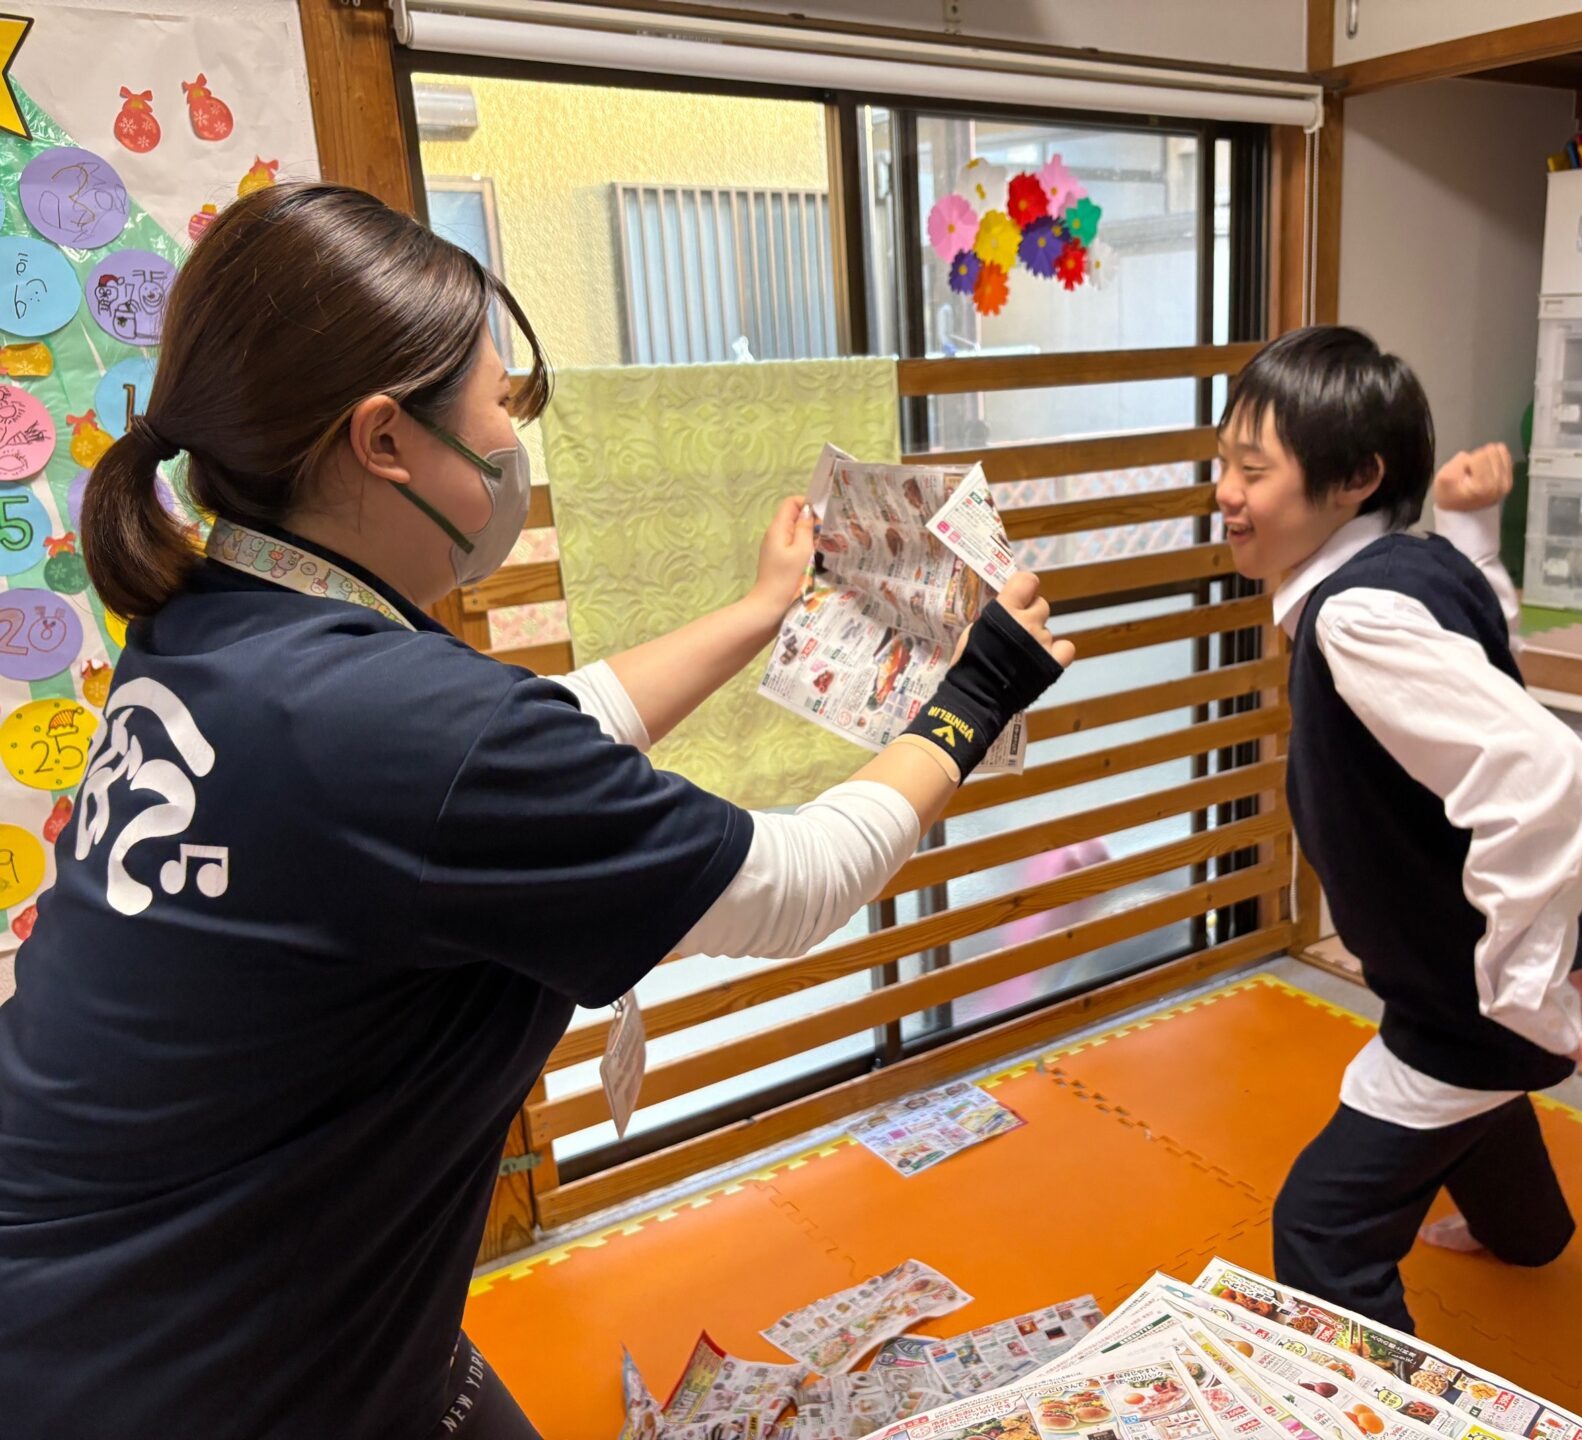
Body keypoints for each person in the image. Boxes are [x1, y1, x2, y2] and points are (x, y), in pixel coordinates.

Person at [0, 183, 1074, 1439]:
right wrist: (973, 700)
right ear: (386, 441)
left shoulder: (220, 628)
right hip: (190, 1367)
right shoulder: (411, 729)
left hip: (115, 1278)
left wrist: (757, 610)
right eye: (501, 407)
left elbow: (511, 752)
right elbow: (789, 884)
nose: (515, 443)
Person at [1212, 326, 1582, 1336]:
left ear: (1356, 479)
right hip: (1487, 979)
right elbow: (1486, 637)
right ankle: (1527, 1232)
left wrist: (1521, 988)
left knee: (1320, 1228)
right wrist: (1477, 529)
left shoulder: (1356, 619)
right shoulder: (1415, 567)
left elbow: (1542, 776)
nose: (1226, 494)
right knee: (1469, 1089)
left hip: (1475, 995)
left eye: (1253, 469)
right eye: (1222, 465)